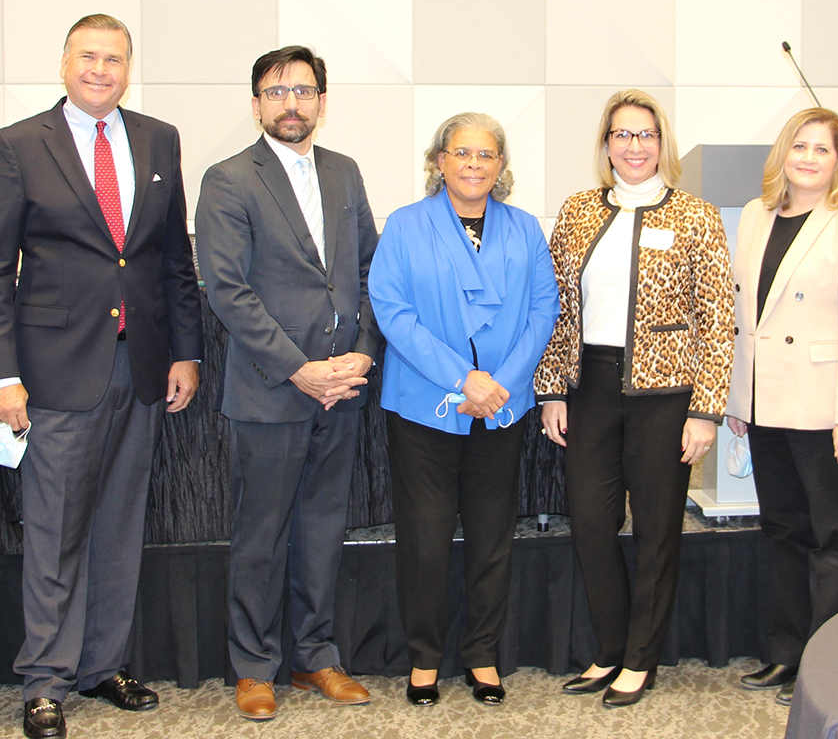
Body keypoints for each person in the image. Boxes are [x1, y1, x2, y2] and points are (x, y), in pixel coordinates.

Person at [0, 14, 203, 739]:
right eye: (88, 56)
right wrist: (4, 377)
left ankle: (102, 664)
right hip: (55, 371)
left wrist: (187, 351)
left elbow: (171, 258)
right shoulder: (21, 145)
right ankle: (45, 679)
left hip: (141, 363)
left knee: (121, 521)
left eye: (114, 59)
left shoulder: (158, 138)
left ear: (128, 67)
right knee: (55, 530)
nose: (101, 70)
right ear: (64, 64)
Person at [195, 46, 381, 720]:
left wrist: (359, 356)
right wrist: (300, 368)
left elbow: (368, 275)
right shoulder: (228, 179)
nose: (291, 104)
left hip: (343, 389)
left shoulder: (344, 172)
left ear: (322, 102)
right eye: (276, 92)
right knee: (261, 533)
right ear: (256, 104)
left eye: (303, 91)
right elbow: (228, 291)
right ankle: (253, 666)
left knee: (323, 528)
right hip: (272, 389)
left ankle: (315, 656)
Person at [536, 89, 734, 708]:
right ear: (606, 145)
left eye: (645, 135)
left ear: (662, 142)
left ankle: (640, 659)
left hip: (665, 392)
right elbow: (557, 307)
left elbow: (718, 316)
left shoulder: (696, 216)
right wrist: (550, 391)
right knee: (591, 525)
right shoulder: (576, 211)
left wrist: (706, 410)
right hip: (587, 385)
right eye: (622, 135)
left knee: (655, 530)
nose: (635, 147)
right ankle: (610, 647)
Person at [368, 113, 558, 707]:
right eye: (461, 153)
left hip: (502, 406)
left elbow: (542, 309)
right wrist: (462, 379)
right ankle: (424, 658)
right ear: (439, 161)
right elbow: (392, 311)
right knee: (424, 536)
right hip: (425, 404)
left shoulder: (525, 229)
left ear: (501, 166)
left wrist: (498, 384)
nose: (474, 164)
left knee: (491, 534)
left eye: (486, 154)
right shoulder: (404, 225)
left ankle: (482, 654)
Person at [726, 108, 838, 706]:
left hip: (824, 409)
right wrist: (739, 397)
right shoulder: (755, 214)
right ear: (782, 153)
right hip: (766, 403)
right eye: (800, 145)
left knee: (836, 536)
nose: (810, 158)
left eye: (823, 149)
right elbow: (746, 317)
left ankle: (827, 665)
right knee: (783, 531)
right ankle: (786, 653)